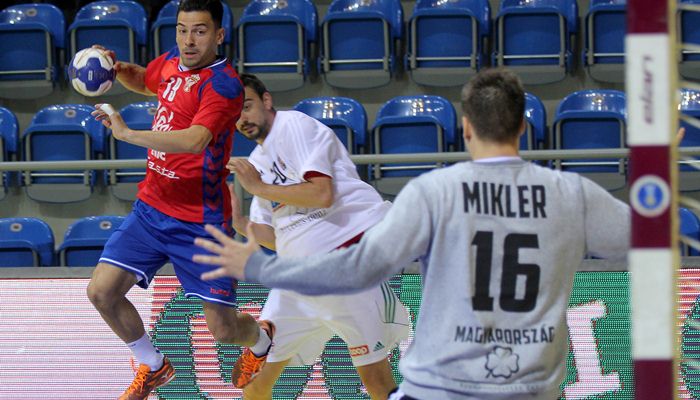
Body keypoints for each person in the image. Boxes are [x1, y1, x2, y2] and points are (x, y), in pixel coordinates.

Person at [193, 68, 633, 400]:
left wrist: (259, 263)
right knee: (260, 383)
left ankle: (263, 338)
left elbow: (364, 259)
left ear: (465, 128)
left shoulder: (436, 192)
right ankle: (264, 340)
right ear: (523, 126)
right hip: (532, 375)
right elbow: (646, 235)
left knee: (377, 379)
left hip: (445, 368)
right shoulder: (570, 192)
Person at [87, 2, 271, 399]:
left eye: (200, 31)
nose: (189, 40)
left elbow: (195, 140)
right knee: (101, 292)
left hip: (200, 222)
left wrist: (128, 135)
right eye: (183, 30)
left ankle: (261, 341)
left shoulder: (223, 85)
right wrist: (115, 70)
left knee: (223, 330)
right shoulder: (172, 61)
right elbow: (146, 80)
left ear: (218, 35)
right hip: (151, 209)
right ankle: (153, 365)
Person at [221, 73, 410, 399]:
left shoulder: (294, 126)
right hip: (297, 280)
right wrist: (238, 222)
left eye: (247, 106)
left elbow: (322, 194)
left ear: (266, 101)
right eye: (234, 114)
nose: (242, 119)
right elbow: (278, 239)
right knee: (255, 383)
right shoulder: (257, 162)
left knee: (376, 381)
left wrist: (258, 188)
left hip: (344, 266)